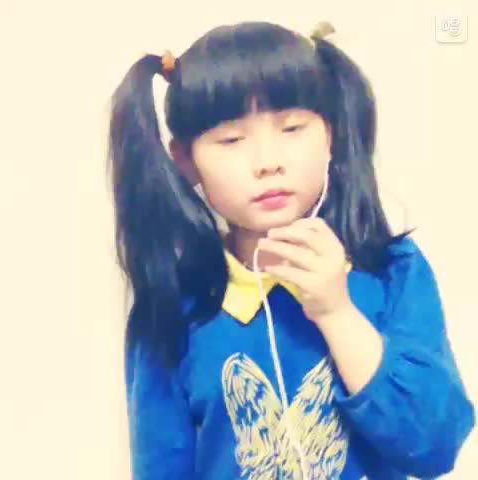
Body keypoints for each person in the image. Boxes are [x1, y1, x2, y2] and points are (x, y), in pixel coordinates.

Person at [107, 20, 475, 480]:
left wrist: (337, 312)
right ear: (185, 160)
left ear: (330, 135)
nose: (268, 162)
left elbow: (434, 445)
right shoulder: (172, 309)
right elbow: (161, 467)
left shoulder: (391, 271)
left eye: (293, 128)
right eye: (231, 140)